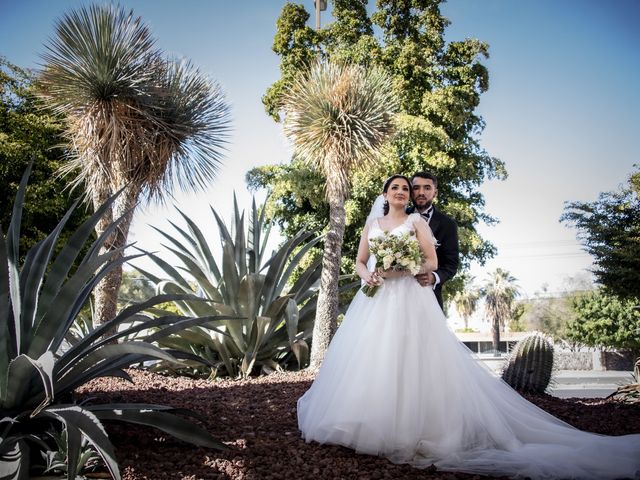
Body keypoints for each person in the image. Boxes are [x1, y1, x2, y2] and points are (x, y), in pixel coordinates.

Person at [297, 174, 640, 480]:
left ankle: (414, 430)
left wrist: (402, 269)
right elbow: (359, 260)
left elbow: (432, 261)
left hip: (412, 298)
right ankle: (364, 423)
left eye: (406, 188)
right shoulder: (373, 223)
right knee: (373, 358)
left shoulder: (418, 222)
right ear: (385, 194)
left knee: (417, 359)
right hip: (376, 300)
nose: (402, 192)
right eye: (396, 188)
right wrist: (369, 274)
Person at [407, 171, 459, 310]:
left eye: (427, 188)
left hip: (429, 296)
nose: (421, 192)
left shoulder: (448, 224)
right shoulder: (398, 217)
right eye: (416, 188)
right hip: (397, 294)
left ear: (435, 192)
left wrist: (434, 277)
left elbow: (451, 264)